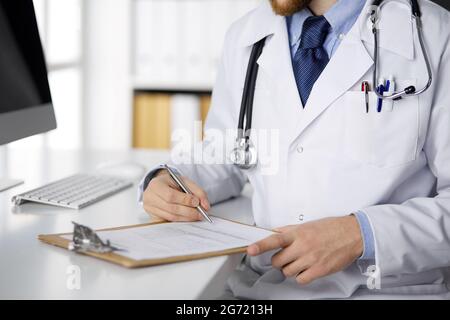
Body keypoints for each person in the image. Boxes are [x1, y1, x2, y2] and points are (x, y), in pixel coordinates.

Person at [139, 0, 450, 299]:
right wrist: (171, 179)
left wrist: (361, 235)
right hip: (259, 287)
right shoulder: (247, 35)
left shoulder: (435, 35)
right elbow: (226, 154)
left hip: (383, 291)